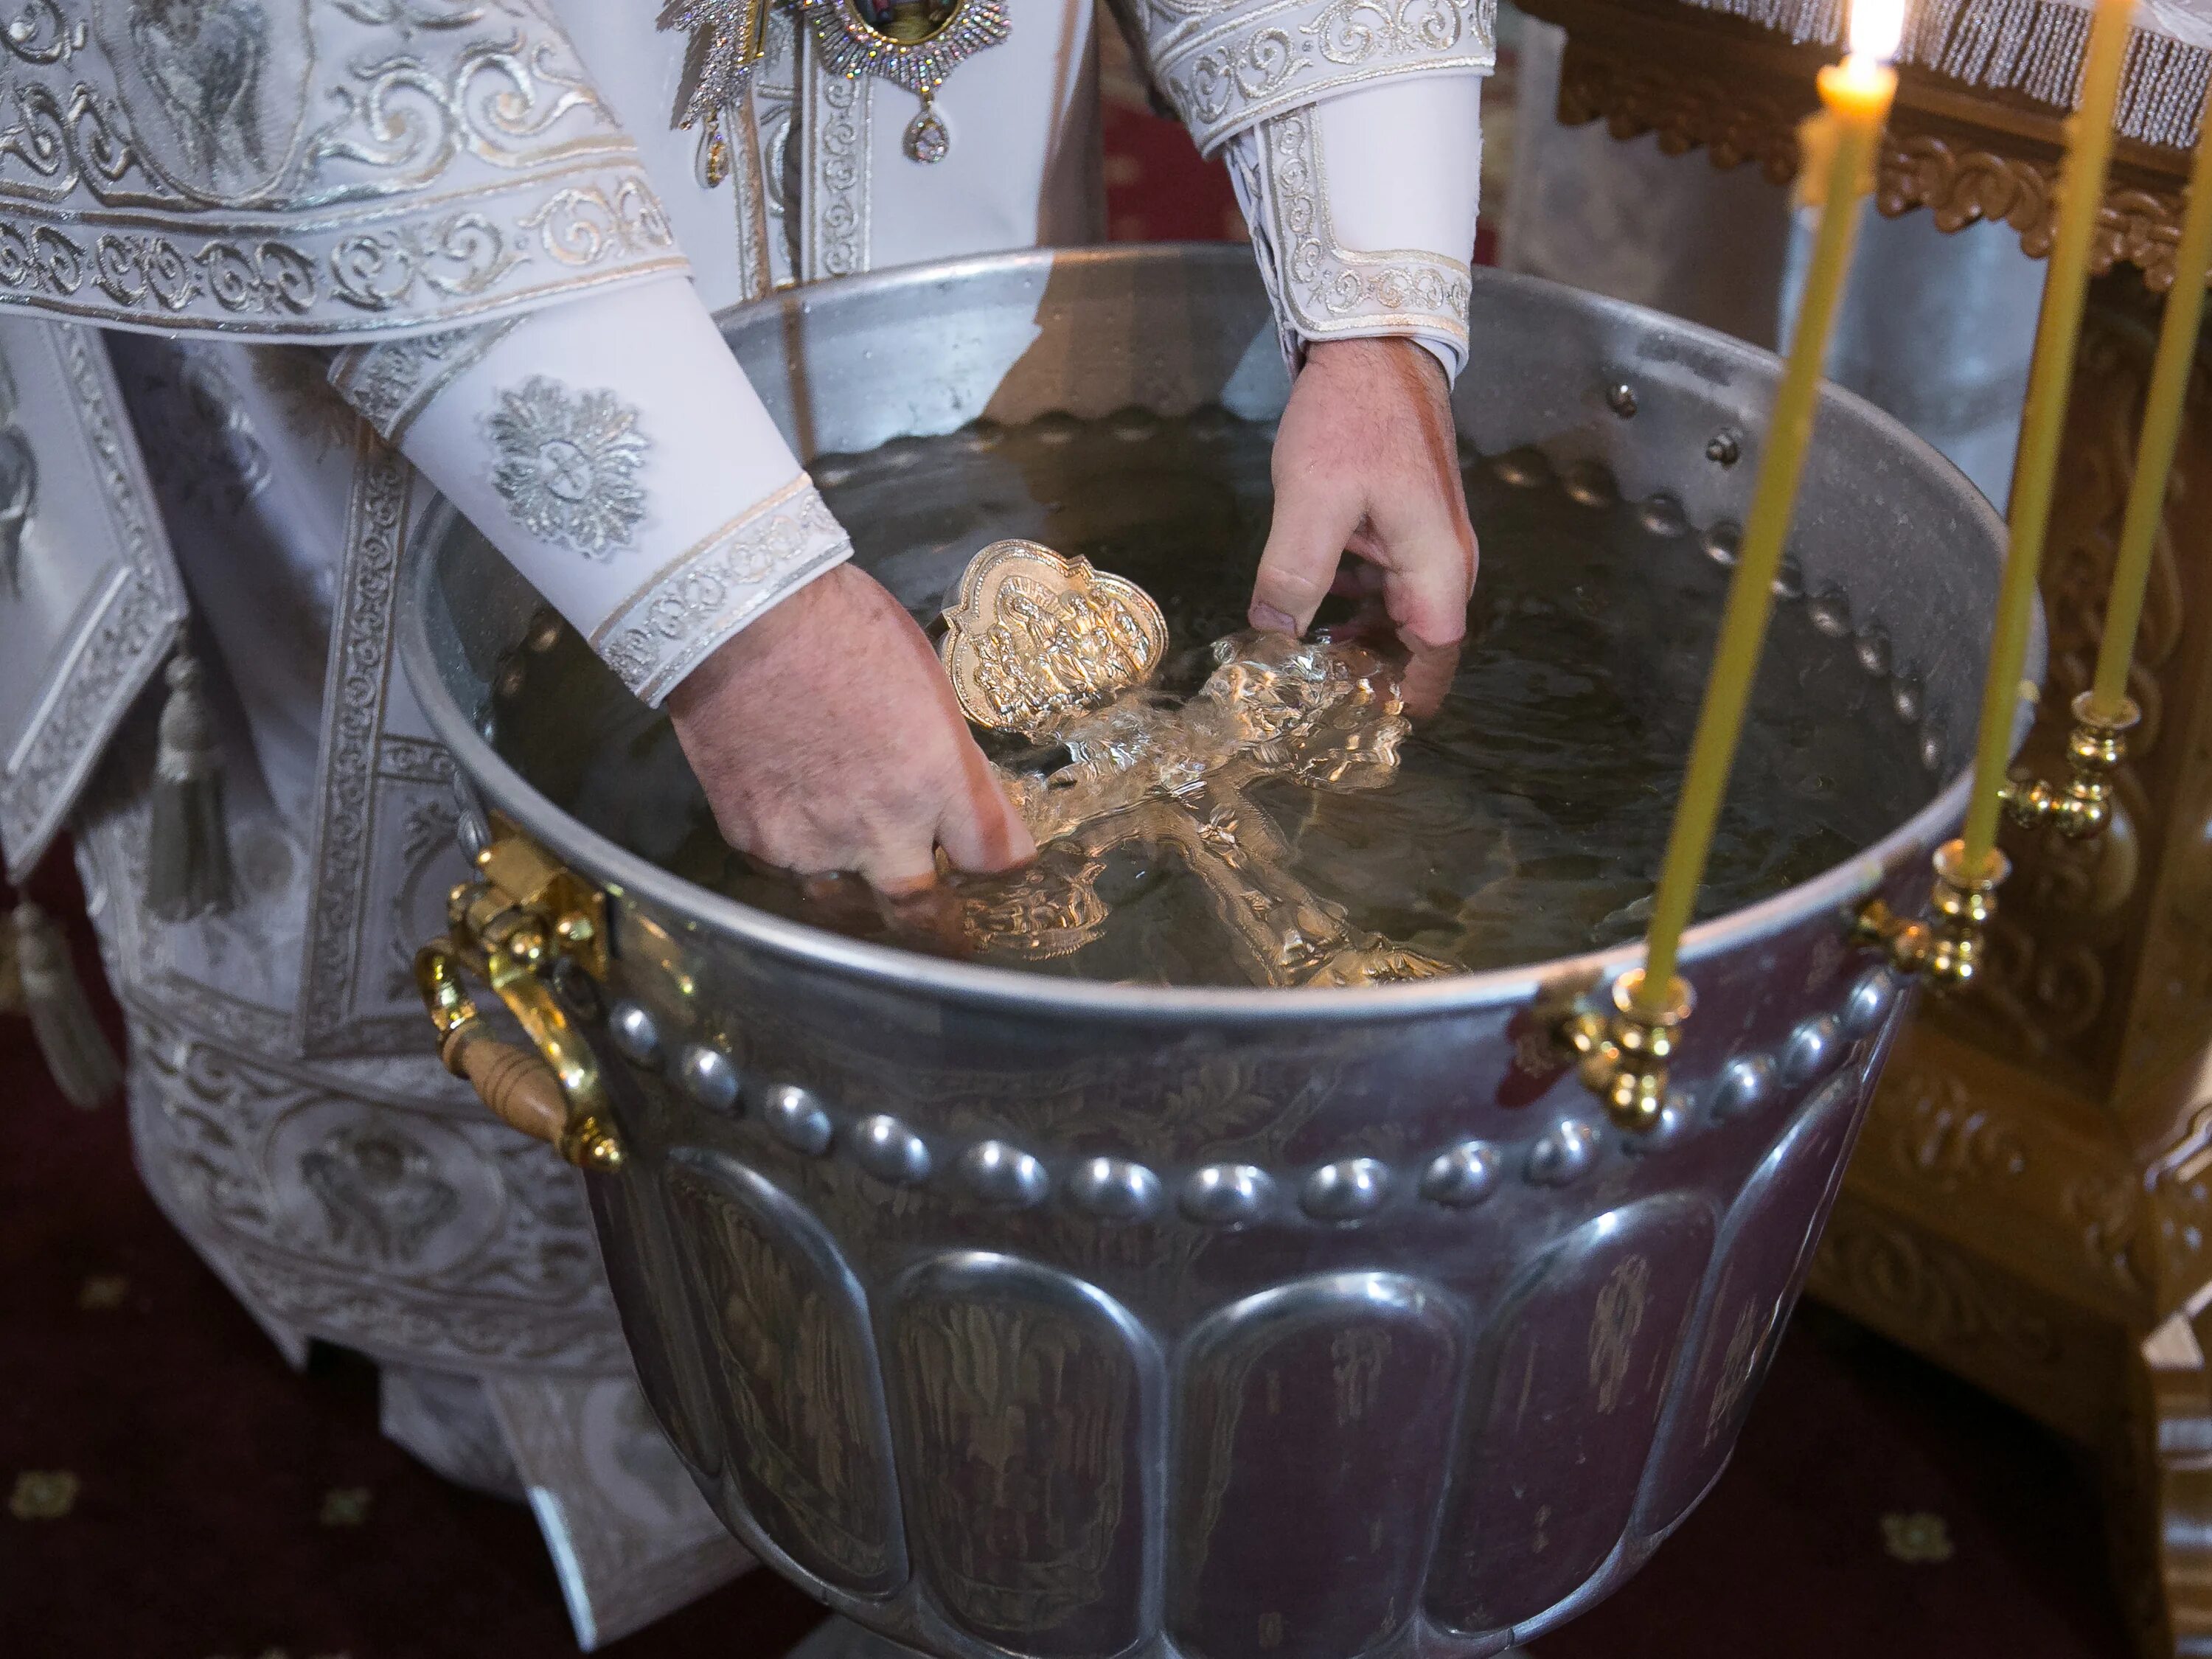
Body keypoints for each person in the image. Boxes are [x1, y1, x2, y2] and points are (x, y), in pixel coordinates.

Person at [0, 0, 1494, 1638]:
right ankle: (535, 1365)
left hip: (952, 208)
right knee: (499, 946)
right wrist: (722, 602)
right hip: (412, 267)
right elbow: (328, 65)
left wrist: (1371, 304)